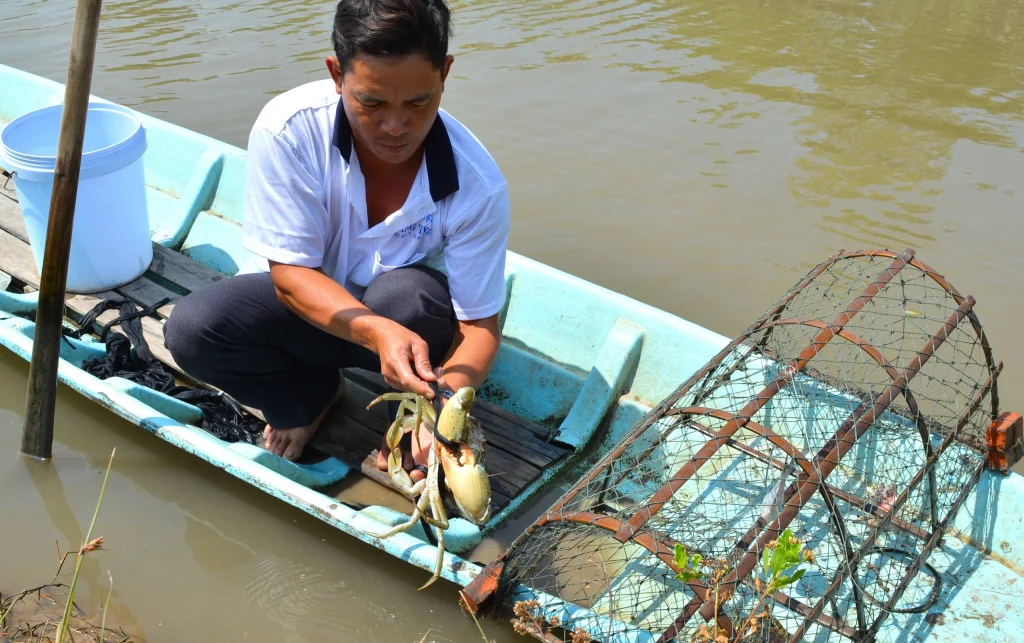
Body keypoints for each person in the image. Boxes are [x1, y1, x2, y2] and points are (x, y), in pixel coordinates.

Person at [163, 0, 510, 484]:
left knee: (407, 297)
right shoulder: (287, 129)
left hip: (412, 337)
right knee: (194, 329)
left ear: (445, 74)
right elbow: (288, 276)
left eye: (418, 103)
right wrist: (373, 331)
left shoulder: (477, 183)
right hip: (311, 312)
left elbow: (479, 328)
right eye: (371, 103)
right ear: (336, 74)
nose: (395, 127)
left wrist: (445, 407)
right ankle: (309, 395)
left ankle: (410, 425)